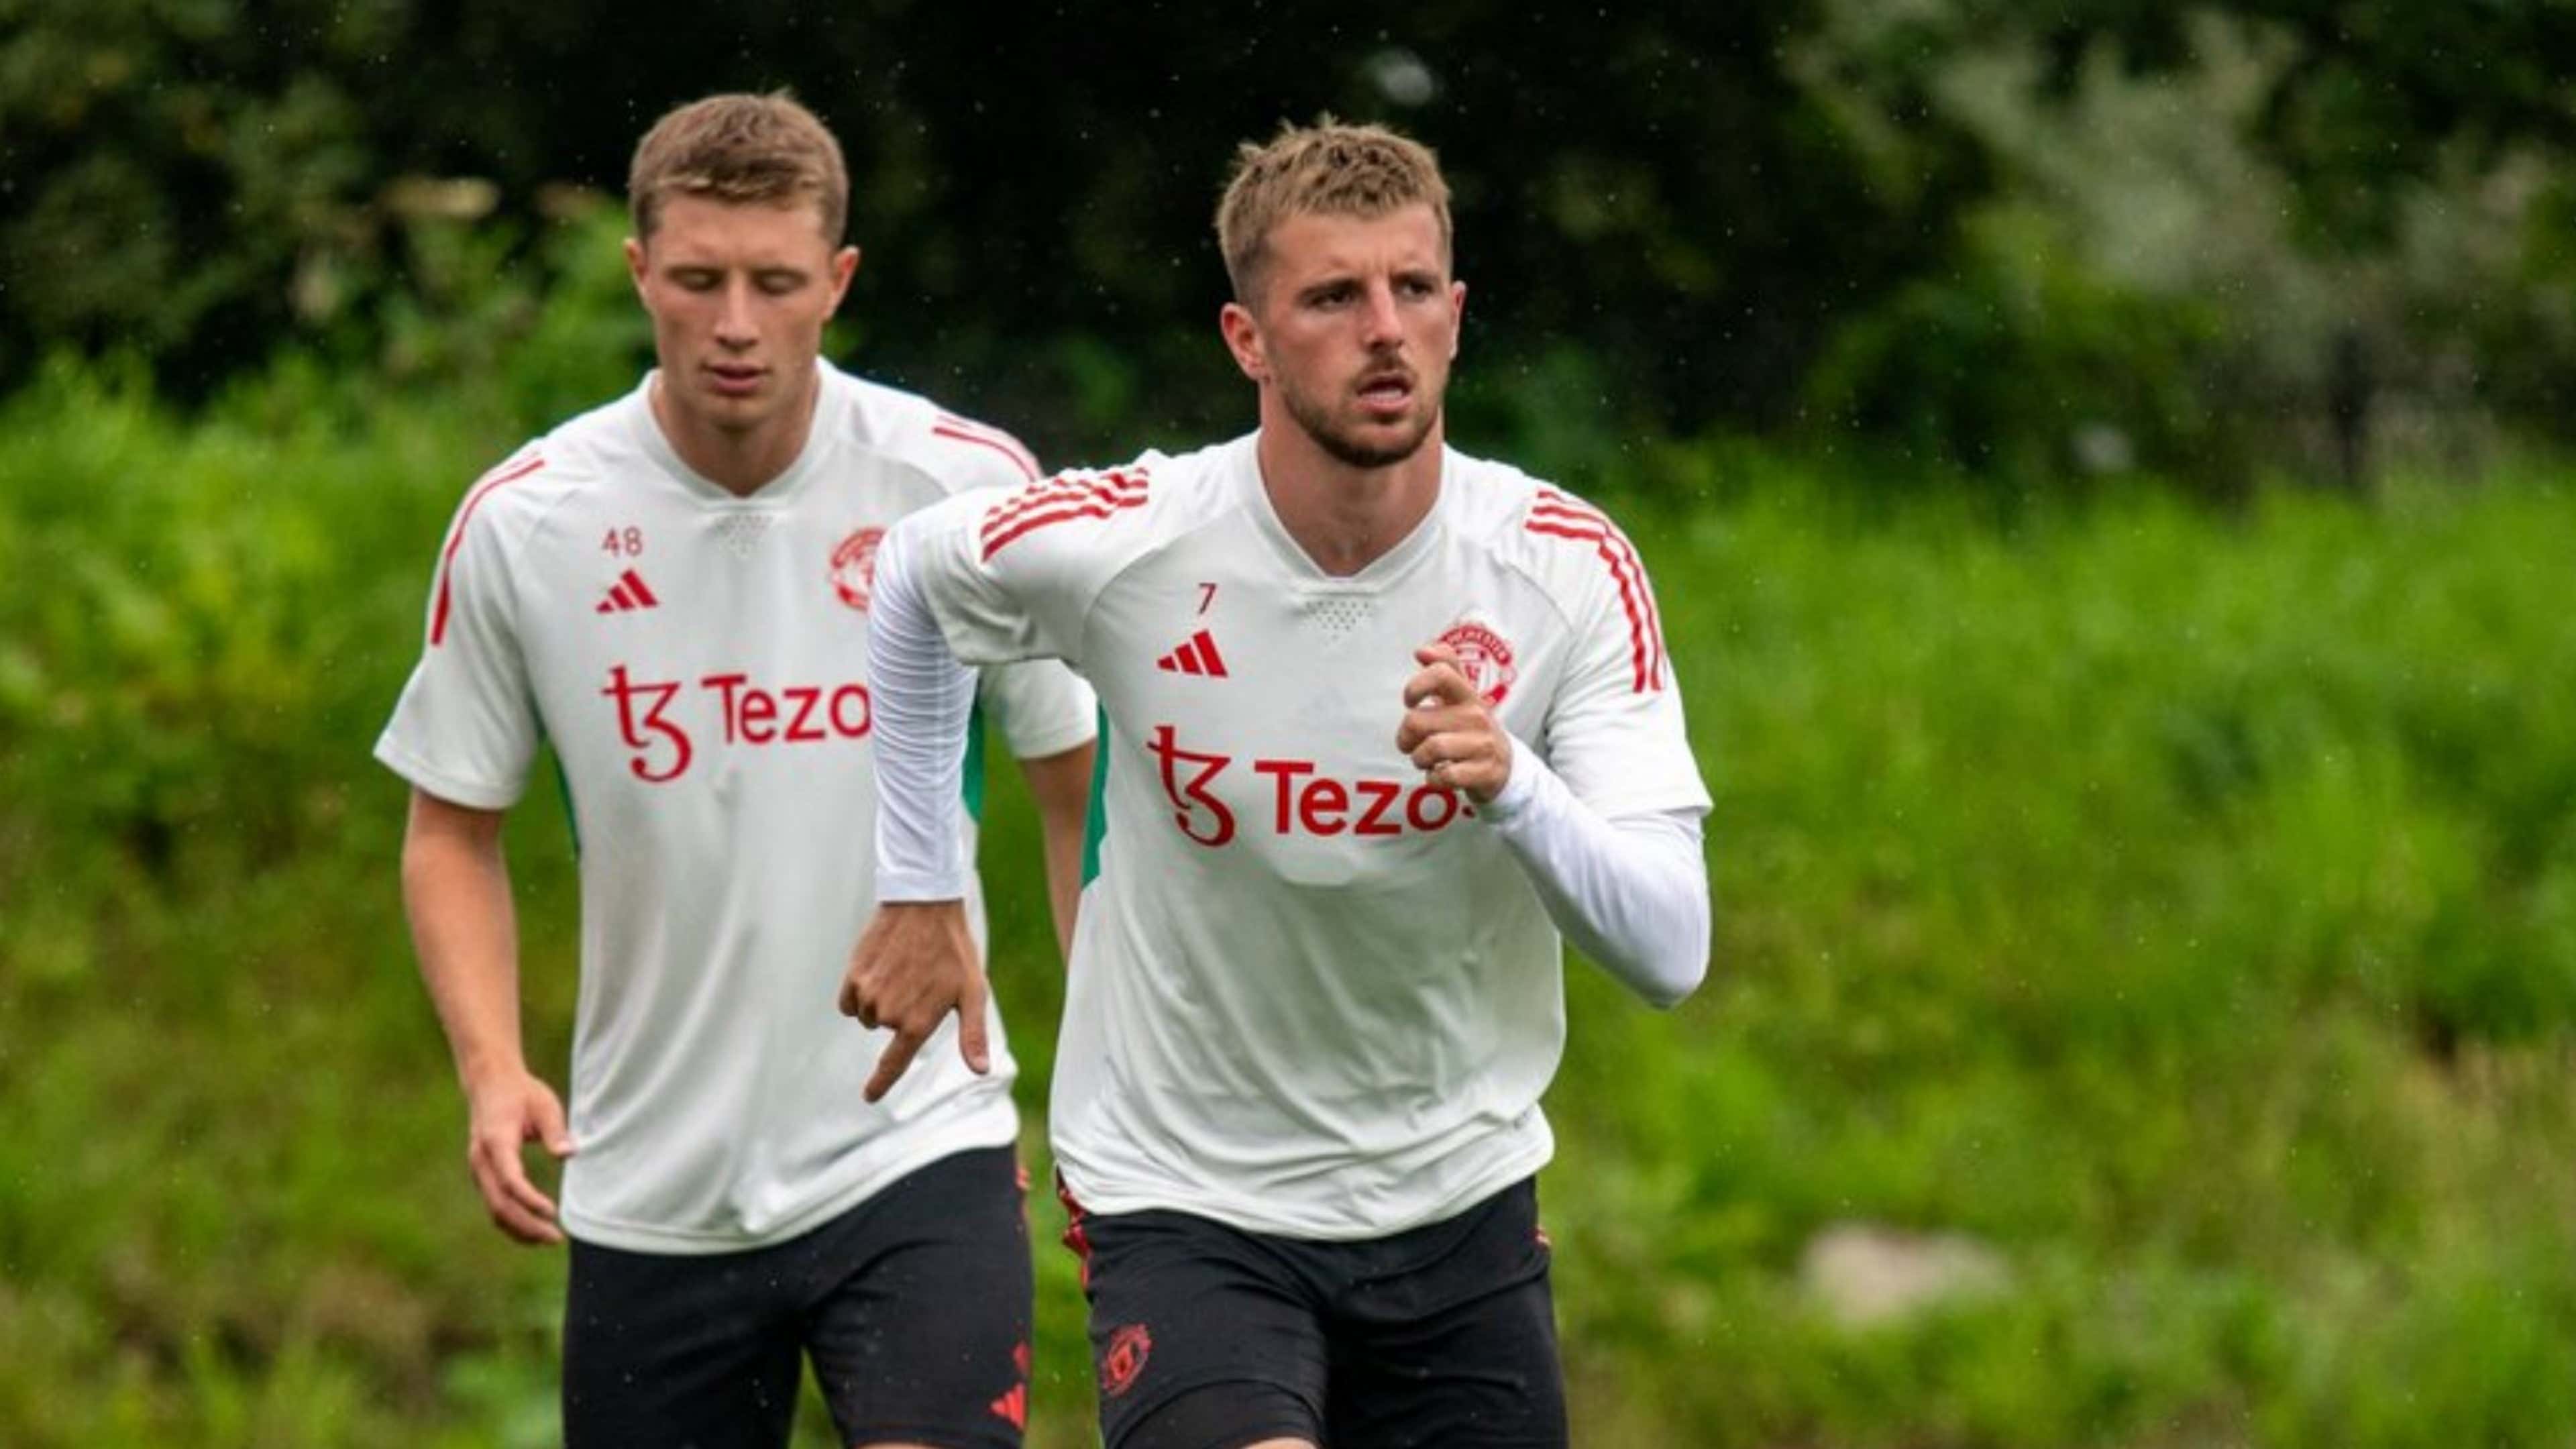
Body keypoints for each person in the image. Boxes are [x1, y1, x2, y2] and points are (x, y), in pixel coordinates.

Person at [842, 119, 1713, 1449]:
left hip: (1456, 1201)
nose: (1384, 330)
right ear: (1248, 340)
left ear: (1459, 316)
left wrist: (1518, 789)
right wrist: (920, 882)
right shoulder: (1133, 543)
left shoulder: (1564, 569)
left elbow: (1670, 948)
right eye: (1332, 297)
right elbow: (911, 577)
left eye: (1413, 290)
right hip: (1187, 1199)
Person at [376, 92, 1095, 1449]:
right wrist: (490, 1069)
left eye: (776, 283)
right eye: (698, 281)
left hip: (913, 1143)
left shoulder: (961, 489)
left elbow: (1082, 785)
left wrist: (1117, 1067)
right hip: (652, 1180)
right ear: (640, 270)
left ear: (839, 281)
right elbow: (449, 828)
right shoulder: (529, 521)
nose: (736, 325)